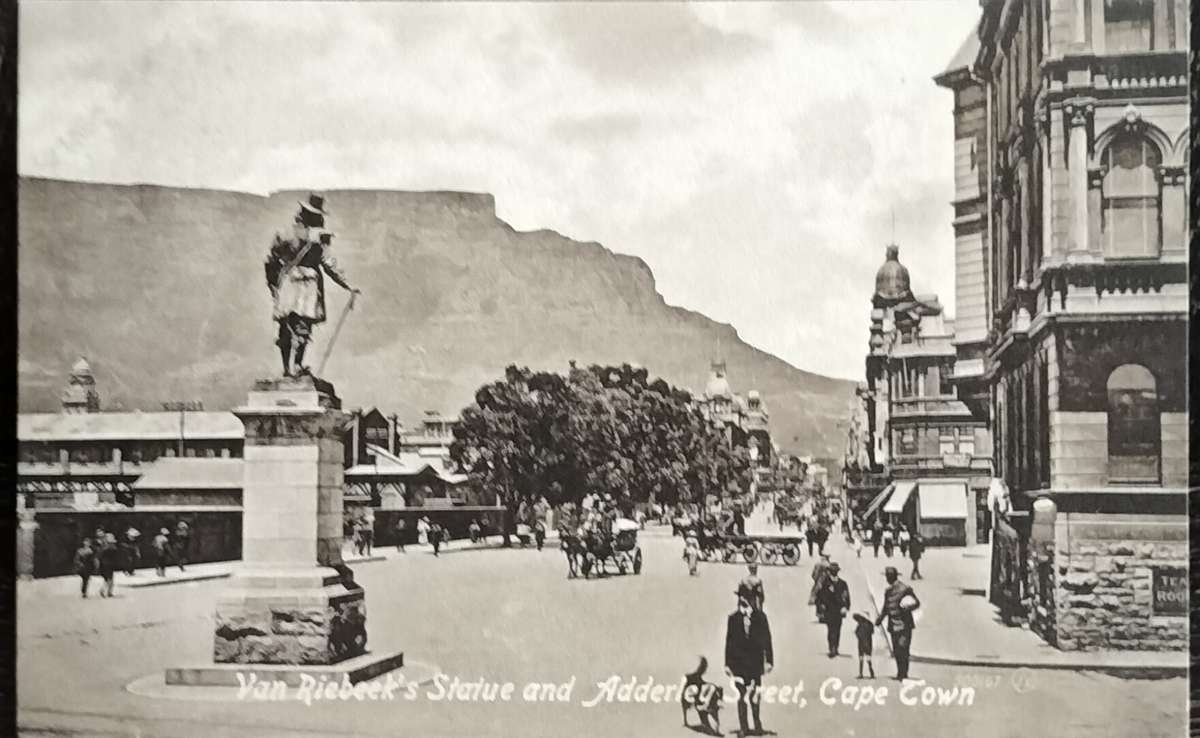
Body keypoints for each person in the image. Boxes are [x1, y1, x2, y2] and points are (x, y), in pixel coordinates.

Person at [264, 195, 361, 377]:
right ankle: (295, 366)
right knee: (300, 327)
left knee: (289, 327)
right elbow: (329, 264)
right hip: (306, 286)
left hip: (290, 284)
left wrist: (273, 286)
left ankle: (290, 368)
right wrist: (347, 285)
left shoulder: (285, 233)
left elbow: (271, 261)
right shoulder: (316, 237)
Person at [724, 595, 774, 738]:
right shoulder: (733, 618)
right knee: (741, 695)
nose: (744, 600)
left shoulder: (760, 617)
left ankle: (757, 724)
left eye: (746, 597)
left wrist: (769, 661)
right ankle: (743, 727)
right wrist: (727, 664)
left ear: (752, 600)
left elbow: (767, 640)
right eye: (741, 597)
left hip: (755, 664)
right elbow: (729, 642)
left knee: (754, 694)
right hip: (738, 664)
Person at [875, 566, 920, 680]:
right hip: (892, 624)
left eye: (887, 576)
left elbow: (916, 603)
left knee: (903, 648)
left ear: (892, 577)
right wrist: (880, 618)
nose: (886, 579)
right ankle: (900, 672)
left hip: (904, 624)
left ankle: (903, 673)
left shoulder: (905, 589)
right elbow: (886, 607)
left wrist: (908, 607)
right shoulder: (888, 591)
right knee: (896, 650)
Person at [816, 562, 851, 657]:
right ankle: (832, 647)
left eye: (836, 571)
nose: (834, 572)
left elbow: (847, 596)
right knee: (831, 629)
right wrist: (821, 606)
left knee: (838, 629)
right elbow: (819, 596)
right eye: (833, 571)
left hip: (839, 610)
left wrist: (846, 607)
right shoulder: (825, 583)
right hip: (829, 609)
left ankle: (836, 646)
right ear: (830, 572)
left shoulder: (842, 583)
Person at [853, 611, 876, 679]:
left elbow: (857, 633)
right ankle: (871, 671)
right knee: (868, 658)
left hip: (861, 643)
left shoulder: (860, 625)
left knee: (861, 658)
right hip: (868, 643)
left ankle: (861, 673)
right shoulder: (870, 625)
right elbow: (872, 632)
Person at [97, 533, 121, 598]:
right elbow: (116, 557)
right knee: (110, 579)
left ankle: (105, 590)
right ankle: (108, 592)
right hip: (110, 565)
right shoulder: (113, 548)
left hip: (104, 565)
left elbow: (99, 557)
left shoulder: (103, 549)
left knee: (106, 579)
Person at [809, 553, 831, 621]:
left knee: (817, 598)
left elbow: (813, 575)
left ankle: (819, 614)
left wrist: (816, 580)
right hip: (826, 585)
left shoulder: (817, 564)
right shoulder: (828, 565)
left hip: (818, 584)